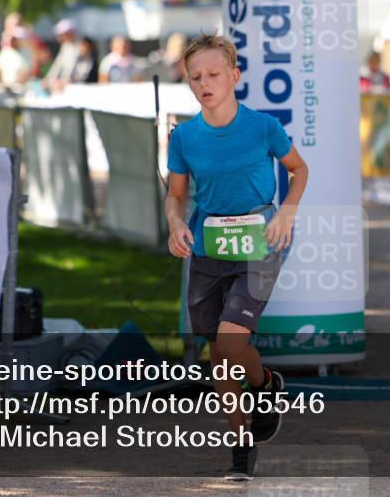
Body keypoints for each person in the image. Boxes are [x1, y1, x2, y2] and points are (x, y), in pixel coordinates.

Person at [165, 34, 308, 481]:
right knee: (220, 356)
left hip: (260, 246)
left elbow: (298, 169)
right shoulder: (184, 137)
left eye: (212, 75)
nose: (204, 84)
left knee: (229, 344)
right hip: (208, 249)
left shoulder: (263, 127)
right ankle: (251, 421)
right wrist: (175, 223)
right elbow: (175, 196)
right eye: (195, 78)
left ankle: (254, 414)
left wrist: (286, 212)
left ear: (234, 76)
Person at [44, 19, 81, 89]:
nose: (59, 37)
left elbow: (73, 71)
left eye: (61, 35)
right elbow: (57, 66)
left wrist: (63, 81)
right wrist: (48, 79)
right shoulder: (65, 47)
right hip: (64, 87)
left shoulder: (78, 49)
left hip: (75, 87)